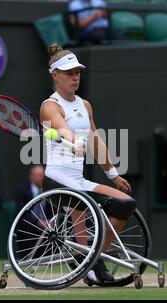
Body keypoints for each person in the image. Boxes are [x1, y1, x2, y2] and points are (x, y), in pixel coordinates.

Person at [40, 43, 135, 283]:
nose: (75, 77)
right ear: (55, 75)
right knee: (84, 207)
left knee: (125, 203)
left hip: (78, 181)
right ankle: (91, 265)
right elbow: (61, 130)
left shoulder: (84, 105)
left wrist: (113, 174)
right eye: (69, 73)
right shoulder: (50, 106)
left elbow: (94, 140)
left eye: (78, 72)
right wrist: (73, 141)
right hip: (57, 181)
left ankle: (92, 258)